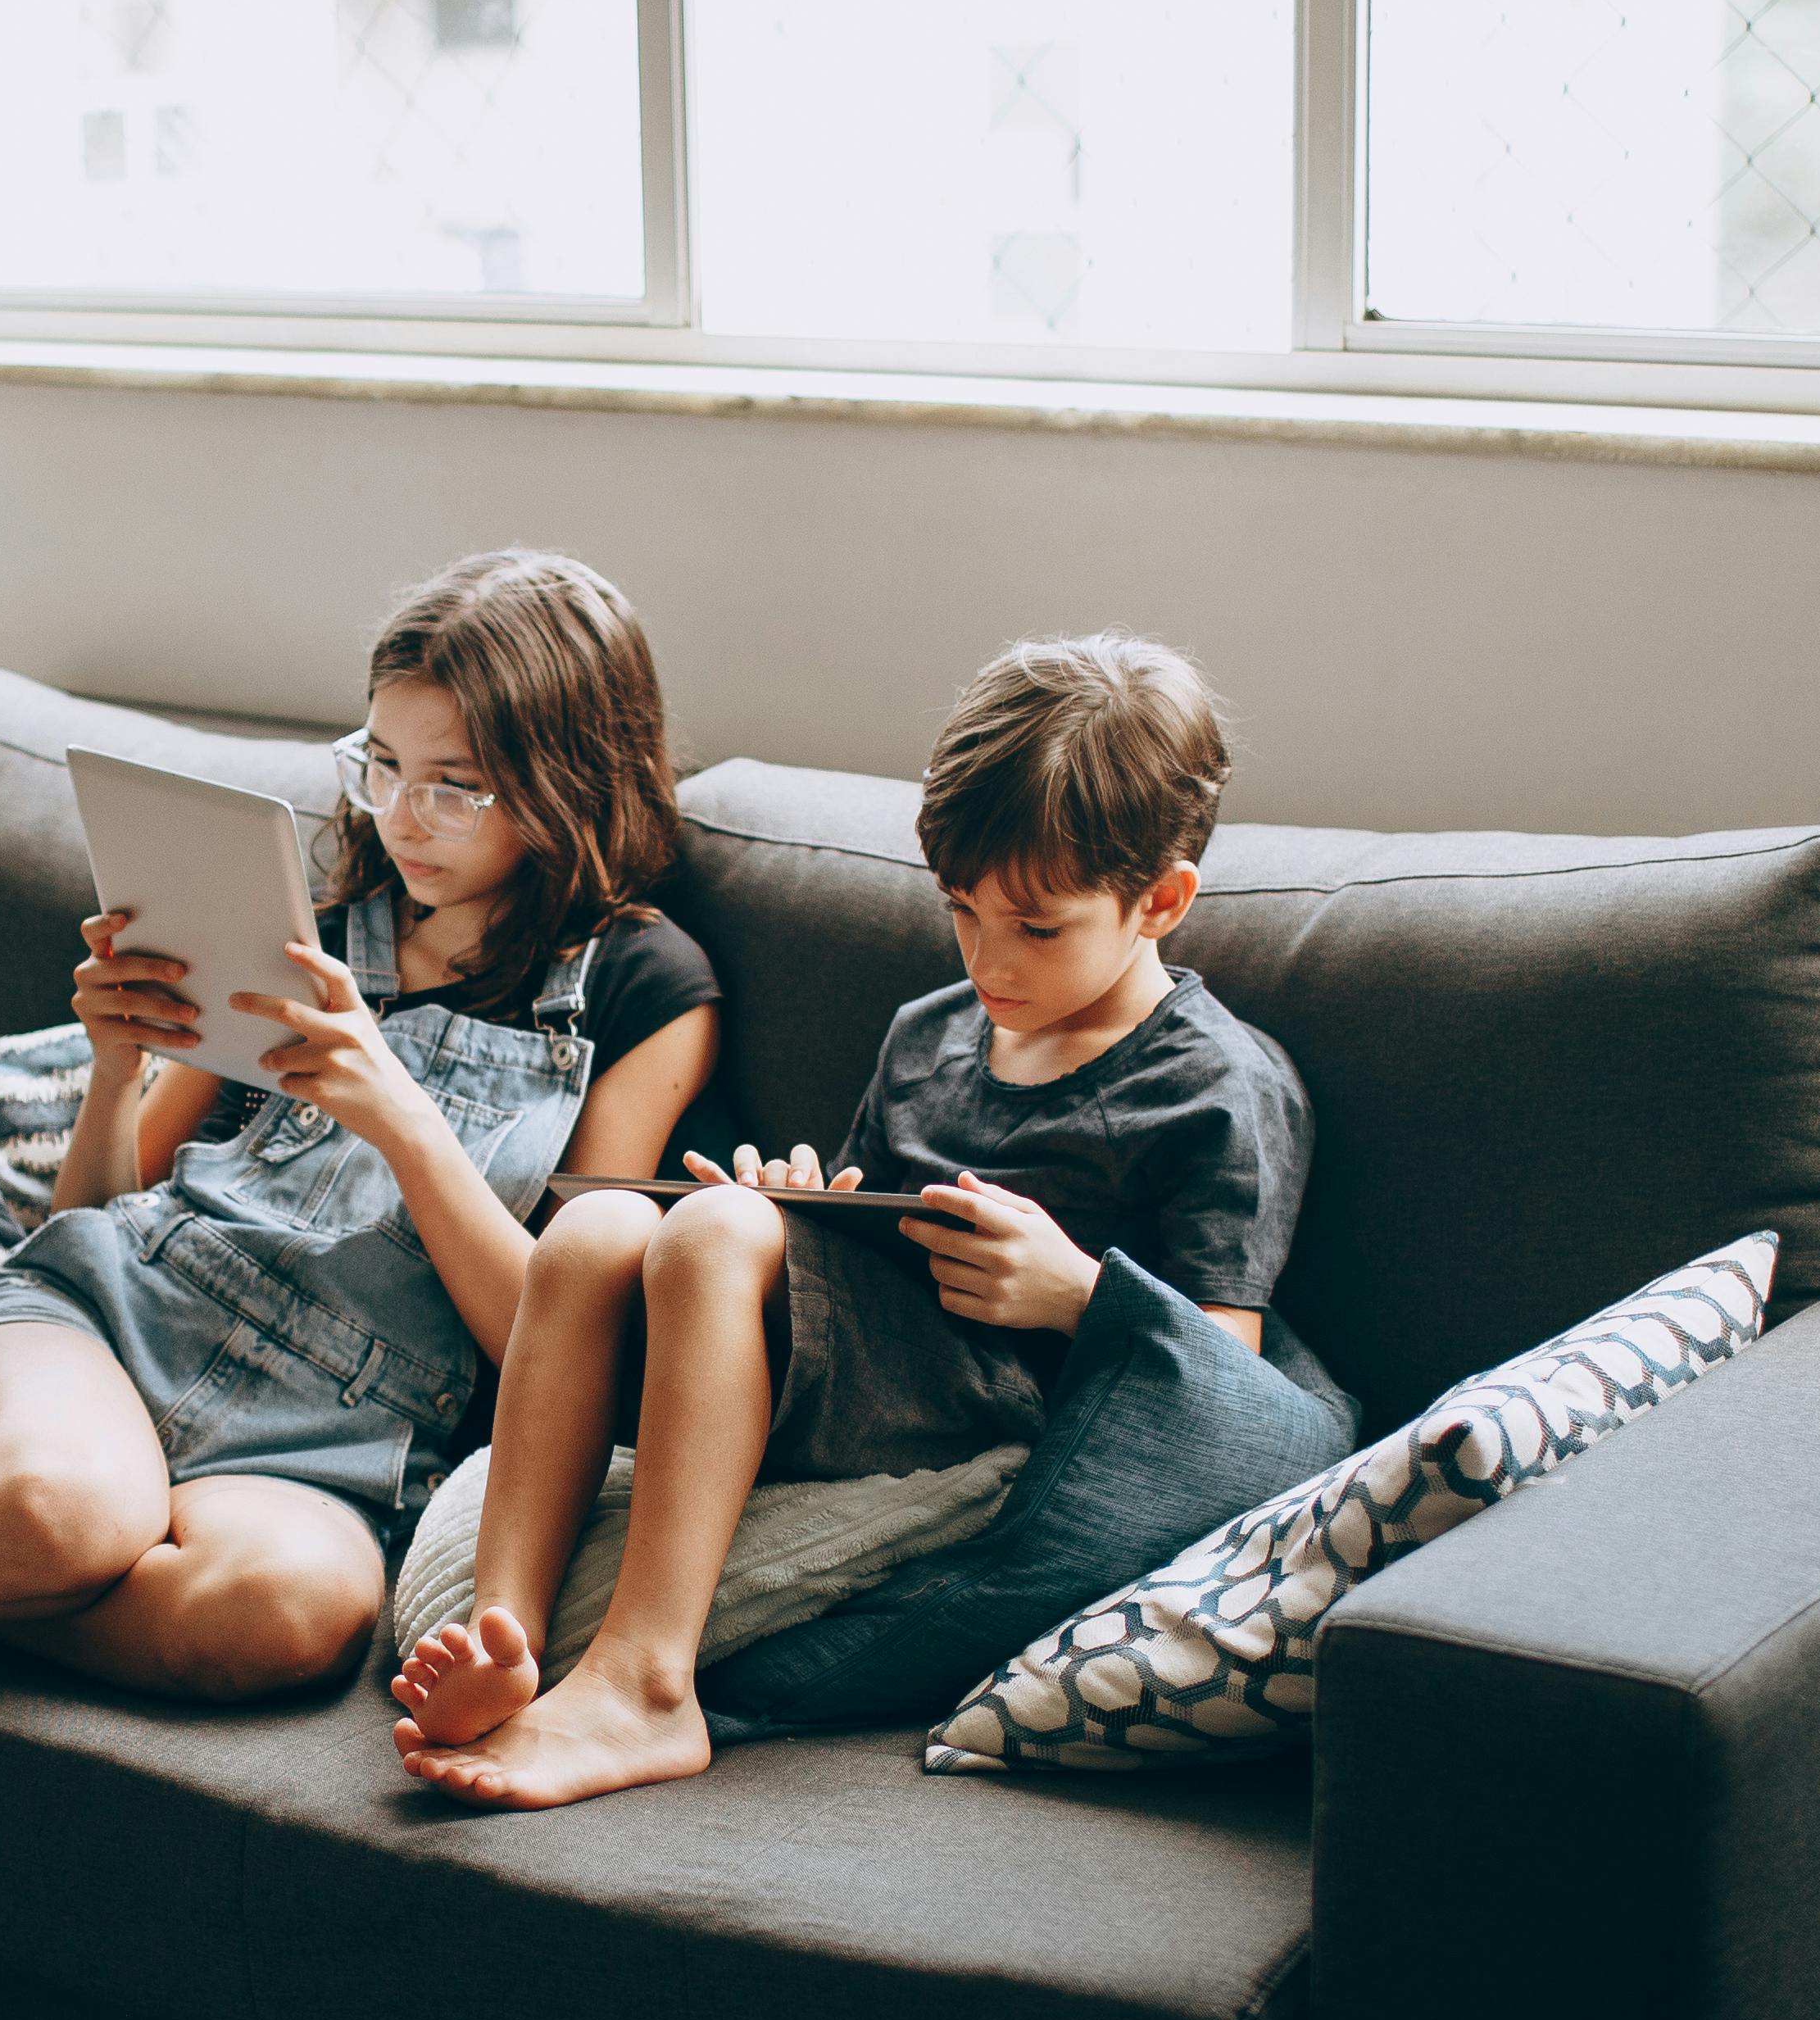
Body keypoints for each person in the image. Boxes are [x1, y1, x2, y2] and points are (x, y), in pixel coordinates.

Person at [0, 551, 722, 1698]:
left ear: (569, 776)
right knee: (49, 1521)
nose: (401, 817)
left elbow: (554, 1334)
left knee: (289, 1622)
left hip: (334, 1426)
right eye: (379, 764)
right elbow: (92, 1215)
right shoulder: (302, 928)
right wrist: (117, 1069)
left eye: (451, 784)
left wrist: (402, 1120)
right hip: (116, 1319)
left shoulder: (643, 990)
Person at [394, 631, 1311, 1808]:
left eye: (1036, 926)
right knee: (597, 1227)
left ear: (1161, 901)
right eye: (960, 910)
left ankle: (644, 1685)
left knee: (714, 1235)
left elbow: (1223, 1373)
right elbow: (858, 1226)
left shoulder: (1215, 1086)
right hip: (841, 1372)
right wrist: (804, 1205)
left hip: (996, 1396)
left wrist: (1072, 1289)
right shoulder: (929, 1032)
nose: (987, 955)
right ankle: (502, 1638)